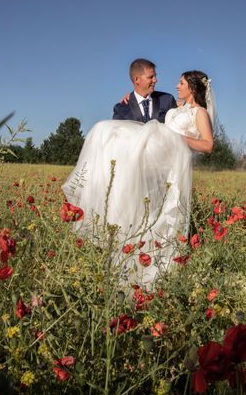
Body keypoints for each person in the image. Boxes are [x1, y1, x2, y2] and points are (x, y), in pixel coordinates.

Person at [62, 69, 215, 289]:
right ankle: (105, 209)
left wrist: (176, 138)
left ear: (192, 87)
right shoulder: (178, 107)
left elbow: (208, 145)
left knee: (112, 136)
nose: (176, 86)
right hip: (156, 155)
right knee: (104, 131)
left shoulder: (197, 112)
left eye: (181, 83)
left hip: (167, 158)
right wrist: (131, 96)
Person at [112, 59, 177, 123]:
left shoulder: (167, 100)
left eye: (155, 76)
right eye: (150, 77)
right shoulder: (121, 108)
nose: (155, 80)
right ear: (137, 79)